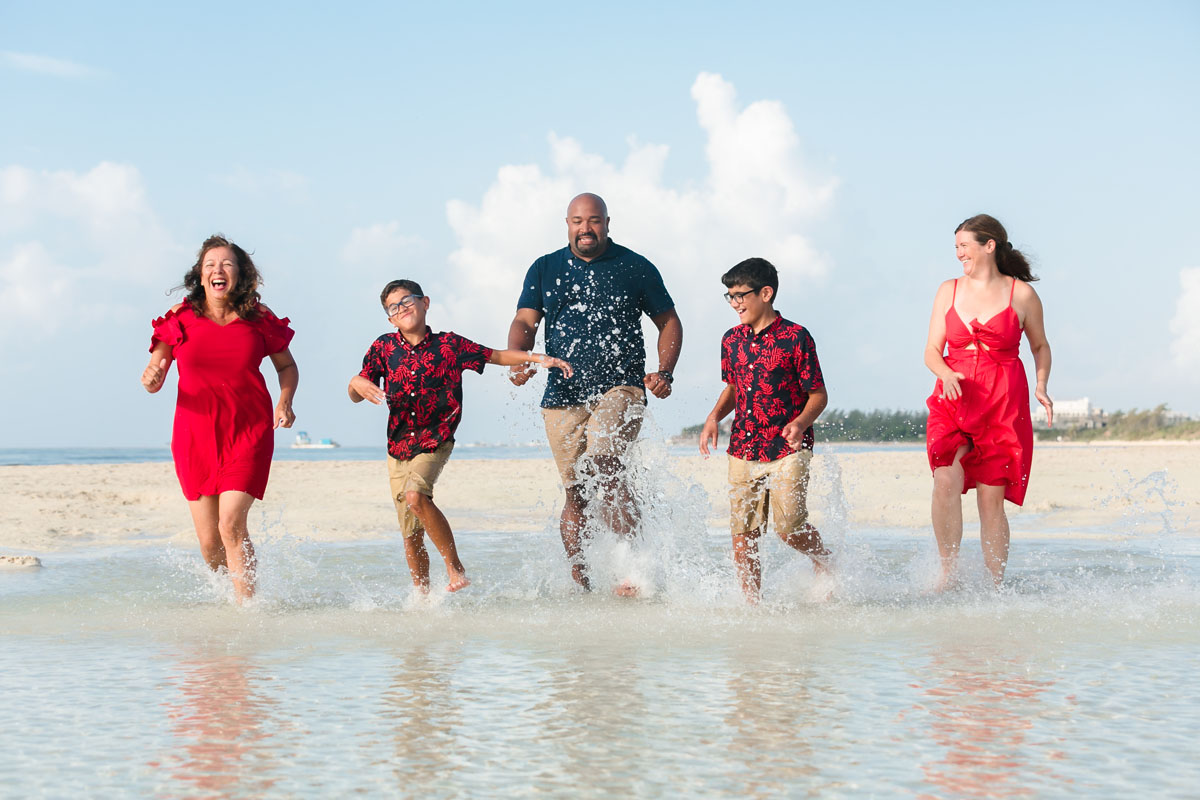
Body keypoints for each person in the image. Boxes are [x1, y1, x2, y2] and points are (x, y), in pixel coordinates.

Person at [506, 193, 682, 595]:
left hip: (621, 385)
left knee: (603, 460)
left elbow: (669, 321)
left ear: (607, 222)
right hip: (562, 393)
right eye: (577, 221)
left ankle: (634, 566)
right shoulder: (545, 268)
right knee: (576, 493)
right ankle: (582, 584)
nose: (586, 228)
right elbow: (524, 320)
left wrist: (665, 372)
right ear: (567, 223)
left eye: (594, 221)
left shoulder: (635, 266)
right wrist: (520, 359)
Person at [349, 279, 573, 594]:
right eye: (394, 307)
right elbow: (358, 389)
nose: (402, 309)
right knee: (411, 533)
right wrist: (355, 383)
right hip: (397, 447)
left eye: (407, 301)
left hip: (436, 440)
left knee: (416, 496)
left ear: (425, 303)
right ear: (390, 319)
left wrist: (537, 359)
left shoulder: (450, 346)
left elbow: (495, 356)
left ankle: (455, 569)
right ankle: (423, 598)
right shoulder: (382, 347)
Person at [141, 234, 299, 602]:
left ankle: (249, 611)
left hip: (248, 431)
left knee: (231, 525)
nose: (218, 270)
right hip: (194, 436)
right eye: (210, 264)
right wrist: (151, 377)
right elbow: (155, 372)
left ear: (240, 274)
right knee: (210, 543)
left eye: (227, 264)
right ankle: (233, 596)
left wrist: (285, 402)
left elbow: (287, 366)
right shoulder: (179, 320)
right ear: (199, 274)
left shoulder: (259, 320)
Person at [924, 214, 1053, 589]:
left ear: (989, 245)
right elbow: (932, 350)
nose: (959, 253)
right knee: (946, 478)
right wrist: (945, 373)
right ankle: (947, 574)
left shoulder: (1022, 294)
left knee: (990, 499)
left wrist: (1041, 385)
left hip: (1002, 402)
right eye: (956, 247)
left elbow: (1040, 346)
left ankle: (994, 585)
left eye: (964, 245)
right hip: (954, 396)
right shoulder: (948, 289)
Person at [699, 258, 831, 603]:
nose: (735, 303)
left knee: (788, 529)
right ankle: (752, 604)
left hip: (789, 448)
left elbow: (818, 394)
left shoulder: (797, 337)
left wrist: (801, 423)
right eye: (729, 296)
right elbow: (733, 387)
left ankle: (825, 560)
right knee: (743, 532)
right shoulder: (731, 340)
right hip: (743, 446)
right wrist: (714, 416)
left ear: (766, 293)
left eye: (740, 295)